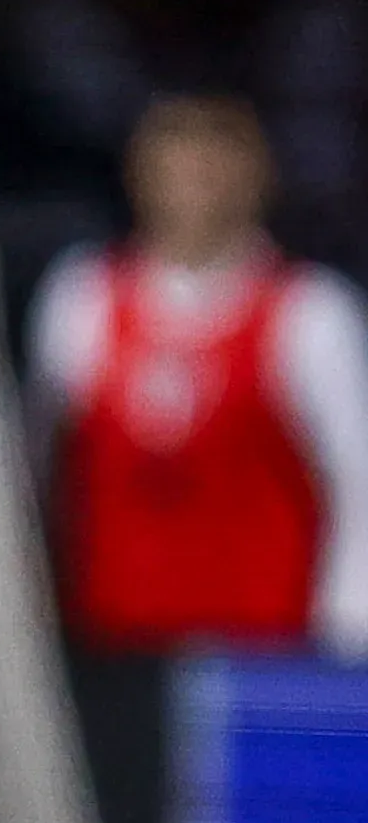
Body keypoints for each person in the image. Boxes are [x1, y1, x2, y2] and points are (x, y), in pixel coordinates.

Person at [34, 92, 368, 656]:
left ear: (256, 178)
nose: (192, 186)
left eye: (211, 168)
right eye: (176, 165)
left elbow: (356, 486)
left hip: (262, 658)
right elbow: (37, 469)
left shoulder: (309, 313)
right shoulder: (82, 299)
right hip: (104, 647)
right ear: (139, 175)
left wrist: (344, 649)